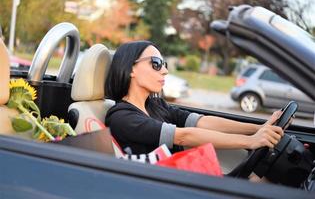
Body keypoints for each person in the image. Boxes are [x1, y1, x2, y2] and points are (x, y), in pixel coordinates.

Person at [105, 40, 284, 155]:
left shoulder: (156, 105)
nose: (165, 71)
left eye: (164, 64)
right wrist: (250, 141)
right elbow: (183, 136)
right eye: (156, 64)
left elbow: (201, 122)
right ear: (131, 69)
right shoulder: (121, 117)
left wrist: (258, 128)